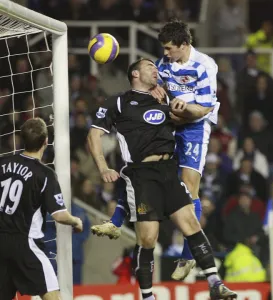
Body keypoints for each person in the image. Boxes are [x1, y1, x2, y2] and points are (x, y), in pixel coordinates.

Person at [89, 58, 237, 300]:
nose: (156, 70)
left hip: (169, 169)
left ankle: (214, 283)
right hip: (141, 174)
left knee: (191, 223)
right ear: (135, 73)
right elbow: (94, 134)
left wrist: (195, 105)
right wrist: (103, 166)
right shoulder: (118, 101)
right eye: (150, 66)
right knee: (148, 238)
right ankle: (147, 296)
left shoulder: (163, 98)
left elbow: (187, 117)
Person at [93, 19, 220, 281]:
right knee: (144, 167)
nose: (164, 54)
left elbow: (205, 108)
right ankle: (116, 221)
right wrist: (156, 88)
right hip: (171, 121)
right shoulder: (164, 65)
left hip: (195, 127)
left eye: (169, 48)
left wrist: (183, 107)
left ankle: (187, 256)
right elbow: (152, 80)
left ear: (184, 45)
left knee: (189, 185)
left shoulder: (205, 65)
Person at [0, 118, 83, 300]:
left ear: (22, 139)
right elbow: (59, 215)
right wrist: (76, 221)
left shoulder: (2, 162)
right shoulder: (45, 174)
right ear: (46, 141)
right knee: (53, 296)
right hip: (25, 243)